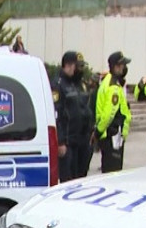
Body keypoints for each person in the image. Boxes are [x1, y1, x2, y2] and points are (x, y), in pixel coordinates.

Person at [53, 50, 94, 181]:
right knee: (68, 180)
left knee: (81, 179)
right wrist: (60, 141)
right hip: (68, 142)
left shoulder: (80, 85)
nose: (80, 69)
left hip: (83, 140)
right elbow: (56, 114)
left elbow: (86, 109)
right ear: (69, 65)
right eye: (78, 66)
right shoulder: (58, 85)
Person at [94, 51, 133, 173]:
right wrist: (98, 132)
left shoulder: (111, 82)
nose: (124, 68)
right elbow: (108, 114)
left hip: (112, 135)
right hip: (112, 135)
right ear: (116, 66)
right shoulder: (113, 86)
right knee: (112, 173)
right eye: (122, 65)